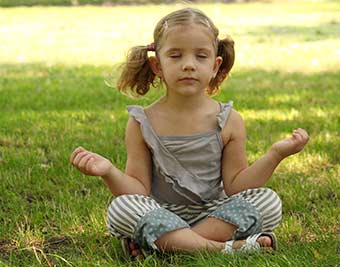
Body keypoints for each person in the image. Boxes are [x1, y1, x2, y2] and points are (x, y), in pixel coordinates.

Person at [70, 7, 309, 259]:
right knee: (122, 208)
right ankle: (224, 249)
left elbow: (238, 186)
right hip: (161, 212)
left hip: (216, 213)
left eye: (201, 56)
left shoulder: (229, 120)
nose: (188, 65)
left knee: (268, 201)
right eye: (175, 56)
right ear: (157, 65)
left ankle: (169, 245)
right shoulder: (142, 122)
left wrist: (275, 154)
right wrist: (108, 171)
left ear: (215, 65)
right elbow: (138, 190)